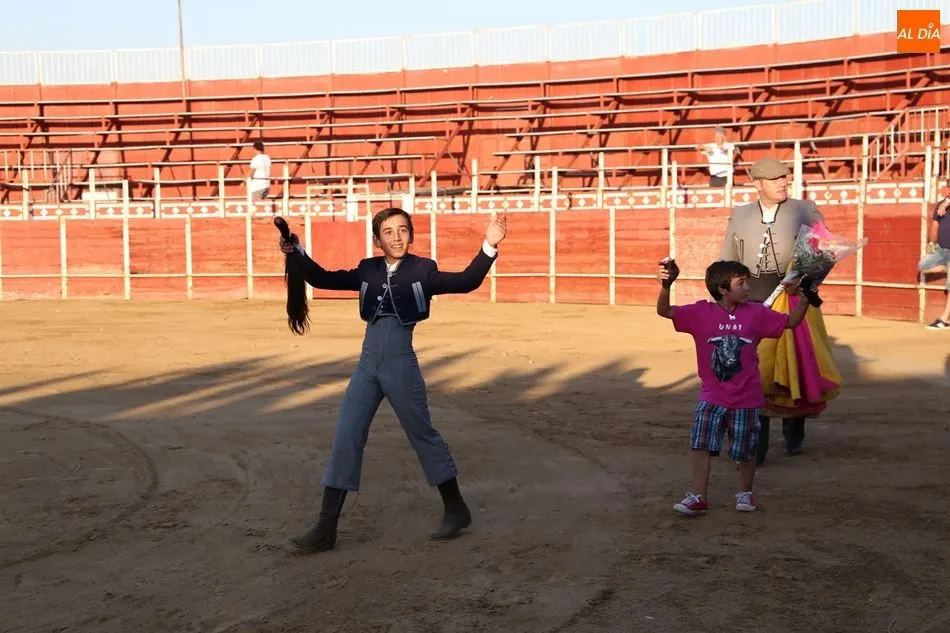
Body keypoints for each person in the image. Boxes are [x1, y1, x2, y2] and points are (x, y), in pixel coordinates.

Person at [279, 207, 507, 552]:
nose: (397, 237)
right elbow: (322, 278)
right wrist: (296, 251)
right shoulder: (367, 269)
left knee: (421, 434)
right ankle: (326, 527)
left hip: (400, 363)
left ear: (411, 235)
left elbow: (466, 281)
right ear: (377, 240)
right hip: (367, 365)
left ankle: (456, 508)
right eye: (388, 232)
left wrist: (489, 244)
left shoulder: (423, 269)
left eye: (402, 230)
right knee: (346, 435)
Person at [656, 258, 818, 516]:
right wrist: (666, 286)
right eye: (741, 283)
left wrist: (805, 300)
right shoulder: (701, 312)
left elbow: (790, 322)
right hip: (712, 395)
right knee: (700, 444)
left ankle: (745, 492)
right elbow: (665, 311)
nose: (747, 288)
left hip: (747, 395)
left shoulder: (756, 313)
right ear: (722, 289)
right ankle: (698, 496)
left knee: (746, 449)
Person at [718, 156, 838, 462]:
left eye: (785, 177)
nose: (784, 182)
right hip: (751, 298)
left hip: (793, 299)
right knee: (754, 371)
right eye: (775, 179)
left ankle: (794, 432)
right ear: (757, 184)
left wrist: (805, 280)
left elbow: (825, 252)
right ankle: (756, 445)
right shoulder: (741, 214)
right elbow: (727, 259)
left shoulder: (804, 209)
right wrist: (726, 296)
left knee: (793, 363)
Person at [918, 185, 950, 330]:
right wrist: (931, 245)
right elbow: (935, 225)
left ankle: (944, 320)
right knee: (923, 266)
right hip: (941, 249)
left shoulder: (945, 204)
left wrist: (947, 202)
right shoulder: (941, 204)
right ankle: (948, 269)